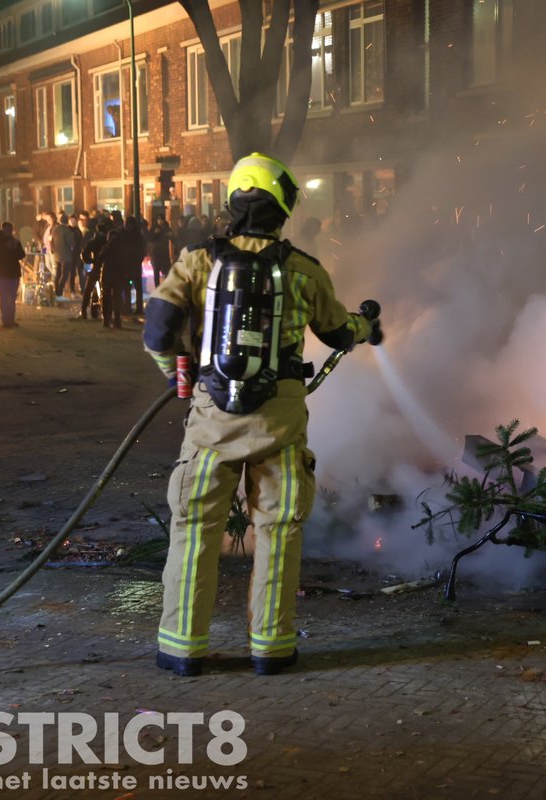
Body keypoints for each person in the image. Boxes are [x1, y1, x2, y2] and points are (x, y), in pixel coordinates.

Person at [143, 152, 376, 677]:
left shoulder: (198, 262)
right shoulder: (303, 271)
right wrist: (366, 327)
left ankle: (182, 650)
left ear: (233, 201)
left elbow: (157, 326)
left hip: (210, 426)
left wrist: (176, 375)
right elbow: (340, 332)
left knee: (195, 529)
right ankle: (271, 651)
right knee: (278, 531)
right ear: (282, 207)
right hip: (279, 425)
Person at [0, 221, 25, 328]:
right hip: (3, 273)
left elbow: (21, 255)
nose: (9, 232)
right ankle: (5, 320)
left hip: (14, 273)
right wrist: (7, 248)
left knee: (12, 297)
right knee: (5, 297)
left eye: (10, 230)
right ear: (3, 230)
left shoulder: (15, 241)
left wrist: (15, 247)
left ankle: (11, 319)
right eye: (7, 230)